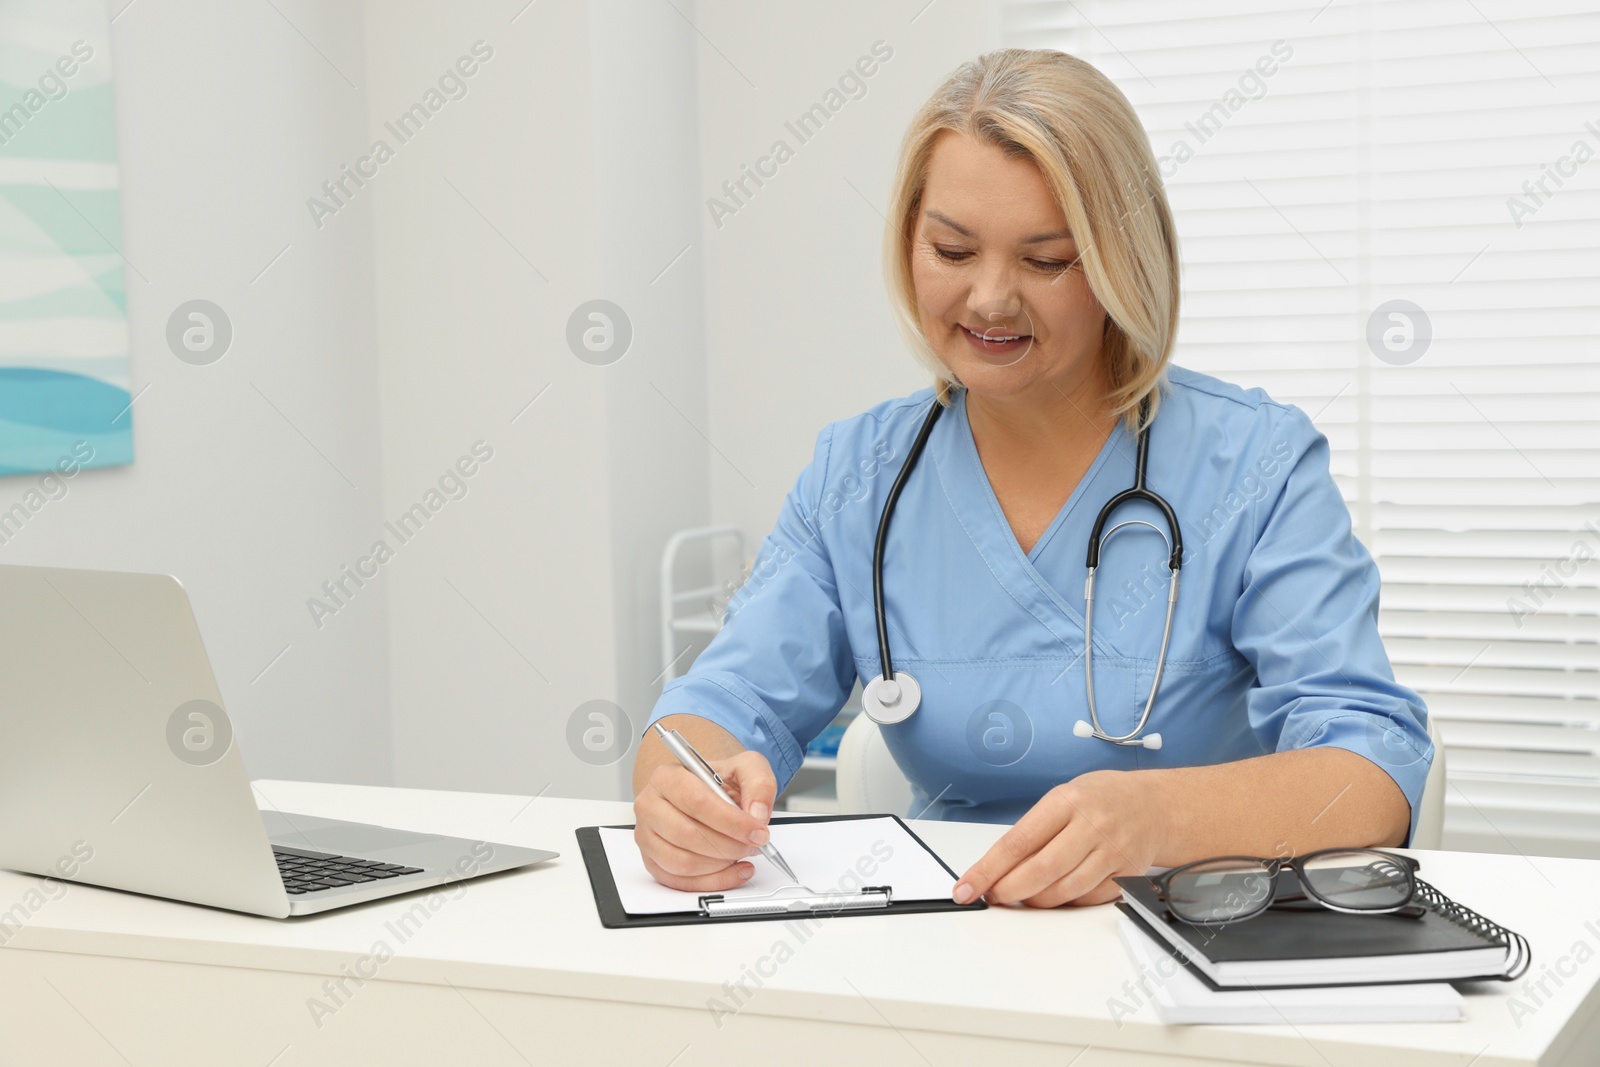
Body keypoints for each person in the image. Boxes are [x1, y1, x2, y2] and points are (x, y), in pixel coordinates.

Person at [631, 48, 1431, 909]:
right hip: (955, 948)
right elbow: (724, 698)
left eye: (1046, 259)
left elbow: (1371, 768)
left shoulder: (1256, 463)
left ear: (1123, 256)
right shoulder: (859, 476)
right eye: (952, 248)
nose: (989, 299)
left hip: (1194, 944)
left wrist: (1158, 820)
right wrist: (689, 793)